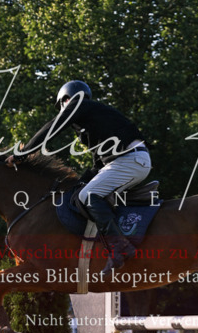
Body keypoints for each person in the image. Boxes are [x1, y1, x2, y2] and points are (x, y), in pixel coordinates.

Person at [8, 80, 151, 275]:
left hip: (130, 159)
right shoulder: (92, 120)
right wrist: (75, 183)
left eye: (62, 106)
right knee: (82, 192)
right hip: (129, 160)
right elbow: (98, 163)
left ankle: (120, 247)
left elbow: (52, 126)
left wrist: (22, 153)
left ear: (66, 100)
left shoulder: (78, 104)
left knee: (88, 196)